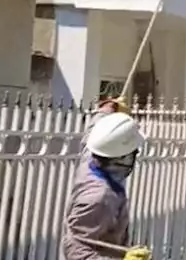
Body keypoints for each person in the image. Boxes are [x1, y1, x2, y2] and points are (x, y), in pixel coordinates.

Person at [62, 98, 152, 260]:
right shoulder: (99, 198)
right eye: (133, 152)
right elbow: (75, 250)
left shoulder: (94, 155)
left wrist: (110, 106)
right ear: (122, 157)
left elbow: (94, 130)